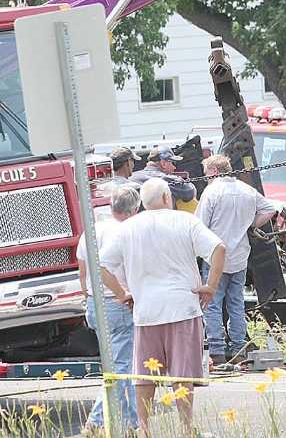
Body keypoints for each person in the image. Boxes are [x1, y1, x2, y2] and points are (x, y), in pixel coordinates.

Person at [99, 178, 225, 438]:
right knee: (182, 374)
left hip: (146, 310)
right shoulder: (185, 221)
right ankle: (186, 429)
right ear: (167, 197)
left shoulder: (128, 227)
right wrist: (211, 286)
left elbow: (101, 266)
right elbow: (218, 248)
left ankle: (145, 429)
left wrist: (122, 294)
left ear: (142, 204)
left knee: (144, 375)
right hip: (183, 307)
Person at [195, 154, 279, 364]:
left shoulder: (212, 192)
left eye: (206, 174)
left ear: (214, 171)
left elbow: (199, 225)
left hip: (215, 257)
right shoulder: (247, 190)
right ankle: (238, 348)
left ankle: (216, 350)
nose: (206, 178)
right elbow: (270, 209)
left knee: (212, 303)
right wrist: (251, 224)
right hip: (240, 256)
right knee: (236, 303)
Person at [77, 185, 141, 435]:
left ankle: (132, 422)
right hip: (117, 302)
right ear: (134, 210)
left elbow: (83, 269)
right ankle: (96, 421)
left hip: (95, 302)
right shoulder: (125, 232)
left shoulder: (91, 231)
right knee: (122, 367)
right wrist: (123, 293)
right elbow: (121, 269)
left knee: (119, 365)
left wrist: (87, 296)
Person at [129, 145, 197, 212]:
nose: (174, 167)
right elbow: (190, 192)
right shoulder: (167, 179)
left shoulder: (131, 177)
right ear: (163, 163)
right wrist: (179, 179)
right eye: (173, 163)